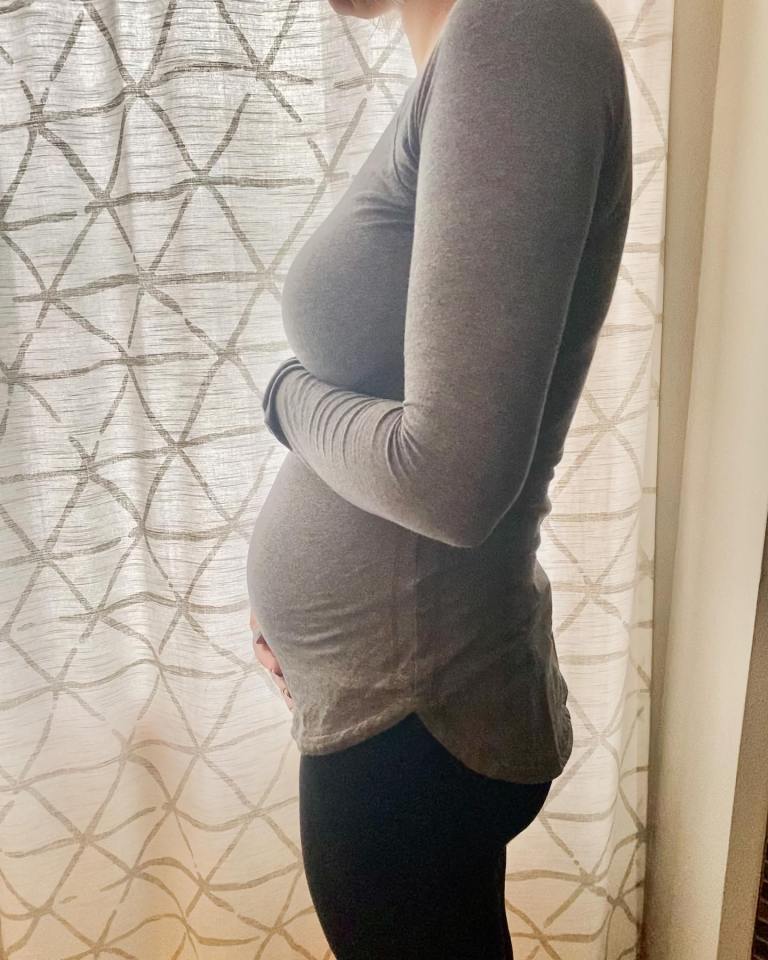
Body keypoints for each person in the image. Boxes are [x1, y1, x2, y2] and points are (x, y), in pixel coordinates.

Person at [248, 0, 632, 955]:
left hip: (417, 720)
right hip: (395, 704)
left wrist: (285, 398)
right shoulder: (480, 48)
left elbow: (447, 479)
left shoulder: (519, 29)